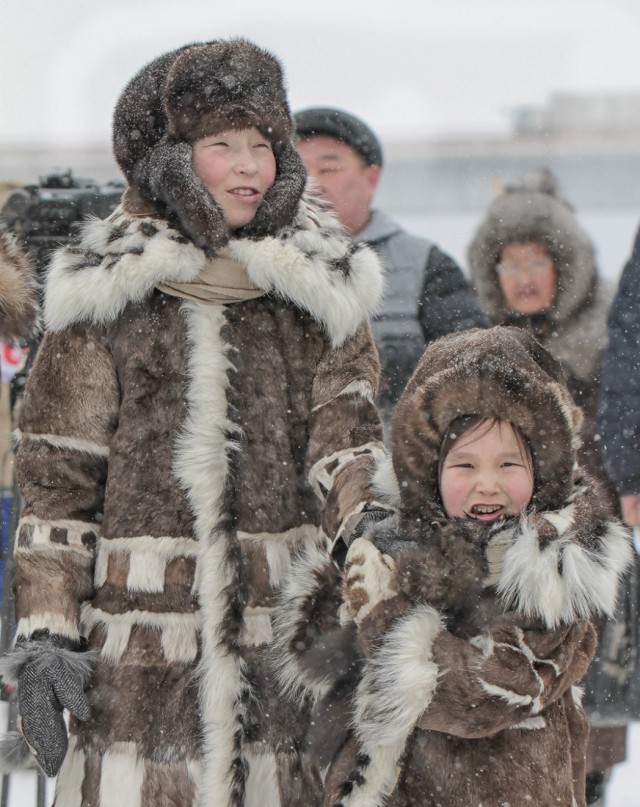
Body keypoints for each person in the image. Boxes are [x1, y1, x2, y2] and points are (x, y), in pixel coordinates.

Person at [0, 39, 389, 807]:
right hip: (138, 661)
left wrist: (376, 541)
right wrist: (47, 631)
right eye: (222, 145)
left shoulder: (322, 297)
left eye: (263, 145)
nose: (249, 166)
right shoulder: (104, 301)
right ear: (173, 159)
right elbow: (57, 484)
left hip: (285, 645)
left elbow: (346, 443)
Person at [272, 326, 632, 807]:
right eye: (465, 466)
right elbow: (314, 659)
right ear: (428, 471)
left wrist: (382, 615)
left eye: (509, 465)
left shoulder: (553, 575)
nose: (488, 484)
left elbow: (484, 695)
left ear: (542, 470)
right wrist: (346, 580)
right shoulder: (401, 545)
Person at [467, 170, 626, 804]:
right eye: (510, 263)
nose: (525, 276)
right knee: (515, 719)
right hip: (504, 558)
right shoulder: (477, 348)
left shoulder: (608, 342)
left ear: (567, 265)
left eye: (539, 260)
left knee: (590, 731)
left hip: (594, 549)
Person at [293, 106, 487, 415]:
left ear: (371, 178)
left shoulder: (426, 265)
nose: (312, 183)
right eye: (299, 170)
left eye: (329, 168)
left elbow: (473, 374)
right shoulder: (255, 263)